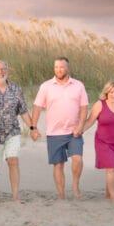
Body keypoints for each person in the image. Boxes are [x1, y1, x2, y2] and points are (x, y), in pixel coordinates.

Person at [31, 57, 89, 200]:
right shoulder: (46, 86)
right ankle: (61, 194)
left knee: (77, 159)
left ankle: (75, 186)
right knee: (58, 165)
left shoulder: (78, 85)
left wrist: (80, 126)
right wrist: (33, 127)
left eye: (62, 67)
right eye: (56, 67)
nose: (59, 70)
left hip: (73, 131)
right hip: (54, 132)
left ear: (67, 68)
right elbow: (37, 107)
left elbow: (84, 107)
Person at [0, 60, 35, 201]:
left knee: (13, 161)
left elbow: (23, 111)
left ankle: (15, 196)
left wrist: (33, 128)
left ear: (7, 70)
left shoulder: (16, 89)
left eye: (3, 69)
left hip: (12, 132)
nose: (0, 72)